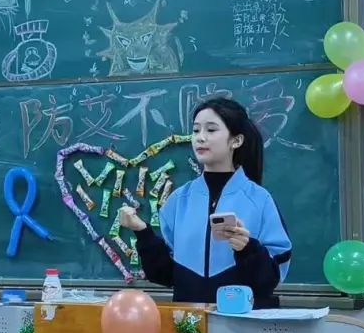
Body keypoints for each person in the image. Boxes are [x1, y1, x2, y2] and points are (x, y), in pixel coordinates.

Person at [118, 97, 292, 309]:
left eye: (211, 130)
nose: (200, 138)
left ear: (236, 141)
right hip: (190, 322)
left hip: (244, 322)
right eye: (196, 130)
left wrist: (247, 249)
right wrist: (143, 232)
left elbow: (271, 279)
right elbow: (164, 275)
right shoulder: (179, 200)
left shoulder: (259, 199)